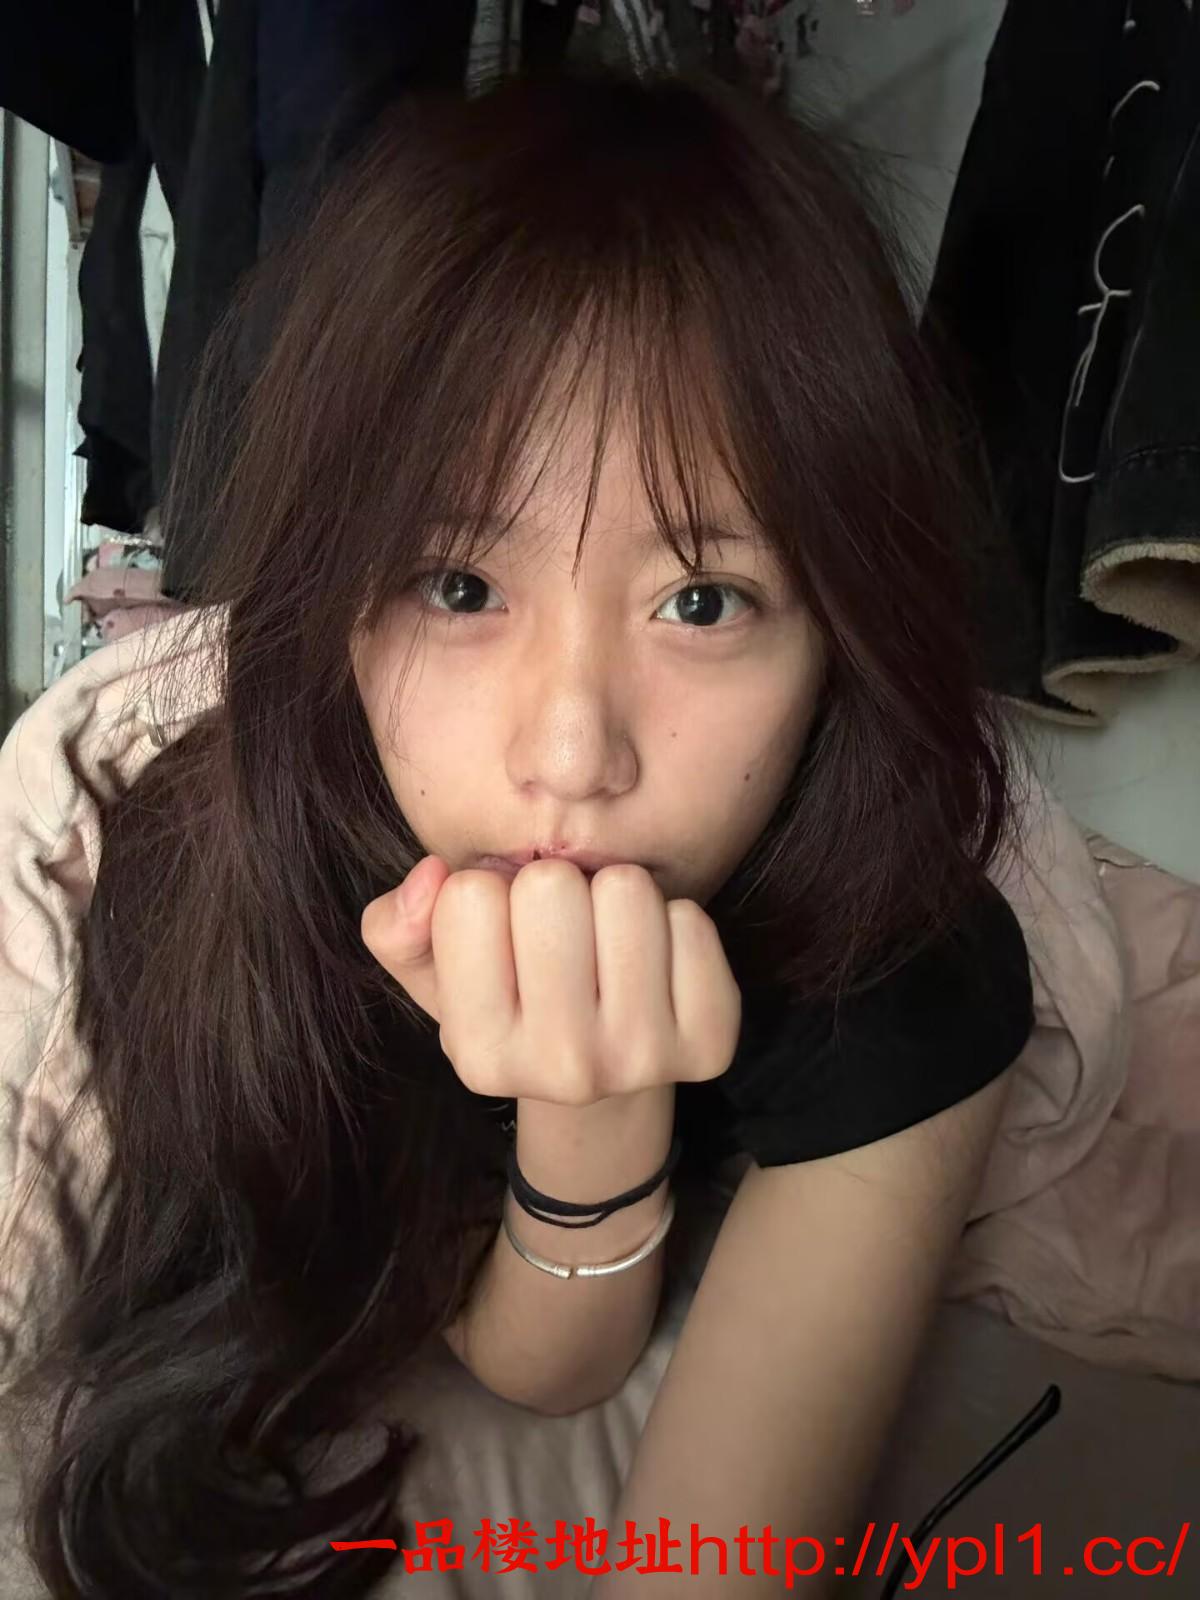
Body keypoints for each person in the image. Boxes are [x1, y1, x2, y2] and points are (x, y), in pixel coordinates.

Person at [0, 70, 1034, 1598]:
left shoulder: (904, 970)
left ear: (839, 630)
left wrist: (589, 1123)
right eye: (461, 587)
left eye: (701, 601)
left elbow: (682, 1520)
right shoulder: (219, 845)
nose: (569, 754)